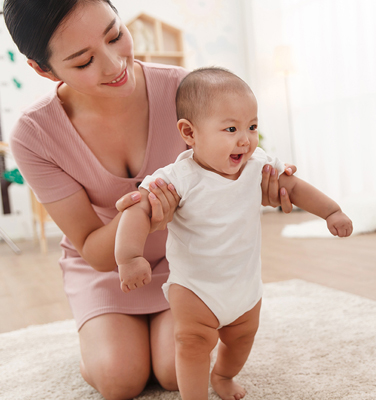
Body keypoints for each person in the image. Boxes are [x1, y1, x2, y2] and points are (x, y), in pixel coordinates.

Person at [3, 1, 295, 399]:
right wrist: (145, 218)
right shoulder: (35, 133)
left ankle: (144, 334)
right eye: (84, 60)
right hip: (110, 268)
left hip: (188, 263)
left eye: (115, 35)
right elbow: (93, 249)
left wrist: (262, 181)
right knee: (119, 380)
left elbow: (236, 160)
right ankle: (100, 339)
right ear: (43, 69)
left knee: (176, 371)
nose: (113, 65)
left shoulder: (185, 91)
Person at [115, 67, 353, 400]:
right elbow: (137, 209)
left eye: (252, 127)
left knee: (242, 339)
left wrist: (331, 211)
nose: (245, 139)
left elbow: (293, 187)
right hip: (195, 288)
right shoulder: (179, 176)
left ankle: (223, 376)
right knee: (191, 344)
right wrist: (129, 256)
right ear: (189, 133)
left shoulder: (258, 165)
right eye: (231, 128)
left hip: (244, 286)